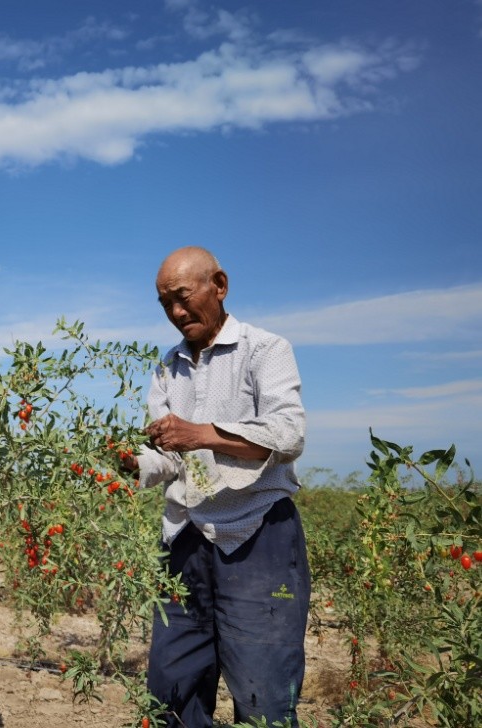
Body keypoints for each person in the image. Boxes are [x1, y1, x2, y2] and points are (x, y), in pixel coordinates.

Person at [132, 246, 309, 727]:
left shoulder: (265, 350)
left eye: (183, 297)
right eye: (165, 303)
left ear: (220, 286)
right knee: (172, 688)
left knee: (263, 694)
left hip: (257, 536)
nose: (176, 312)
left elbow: (287, 435)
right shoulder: (167, 366)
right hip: (185, 540)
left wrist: (200, 433)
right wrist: (126, 464)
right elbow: (168, 458)